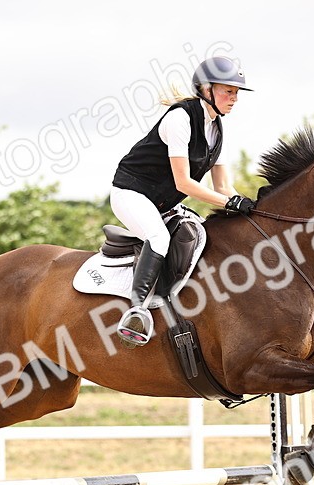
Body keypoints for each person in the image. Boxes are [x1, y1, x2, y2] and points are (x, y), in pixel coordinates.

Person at [110, 55, 258, 346]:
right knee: (158, 238)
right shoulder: (180, 118)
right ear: (206, 89)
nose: (234, 98)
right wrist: (229, 204)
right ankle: (136, 311)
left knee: (202, 235)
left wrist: (246, 204)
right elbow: (184, 183)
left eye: (236, 92)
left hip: (164, 202)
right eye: (228, 91)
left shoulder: (217, 130)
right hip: (132, 192)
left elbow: (223, 186)